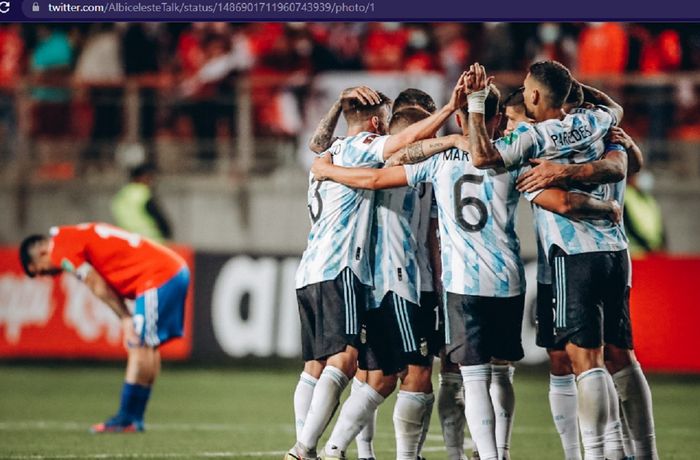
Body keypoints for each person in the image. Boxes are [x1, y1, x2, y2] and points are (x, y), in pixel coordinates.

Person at [311, 84, 621, 460]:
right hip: (507, 280)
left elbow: (377, 176)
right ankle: (503, 451)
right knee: (501, 373)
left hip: (460, 284)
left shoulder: (438, 162)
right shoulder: (511, 158)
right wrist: (606, 208)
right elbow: (564, 202)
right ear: (495, 120)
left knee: (468, 380)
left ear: (460, 118)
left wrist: (327, 169)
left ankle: (477, 455)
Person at [465, 60, 657, 460]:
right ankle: (643, 452)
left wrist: (475, 104)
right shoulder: (597, 119)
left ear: (533, 96)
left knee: (586, 361)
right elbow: (618, 128)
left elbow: (482, 158)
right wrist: (573, 88)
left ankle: (602, 453)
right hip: (616, 254)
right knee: (622, 356)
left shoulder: (535, 138)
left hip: (573, 256)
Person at [287, 78, 467, 460]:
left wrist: (337, 109)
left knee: (340, 368)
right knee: (382, 369)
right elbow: (376, 173)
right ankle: (310, 449)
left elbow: (317, 146)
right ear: (379, 124)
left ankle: (341, 451)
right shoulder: (373, 154)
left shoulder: (329, 153)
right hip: (380, 276)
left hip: (323, 268)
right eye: (383, 122)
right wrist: (450, 122)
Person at [19, 223, 190, 433]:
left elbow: (96, 284)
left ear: (42, 251)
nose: (47, 275)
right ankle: (133, 418)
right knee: (148, 347)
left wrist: (125, 317)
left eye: (41, 270)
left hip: (158, 276)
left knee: (138, 345)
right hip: (171, 270)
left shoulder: (61, 249)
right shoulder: (73, 235)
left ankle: (126, 418)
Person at [111, 163, 173, 243]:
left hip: (127, 239)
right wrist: (167, 233)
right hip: (149, 239)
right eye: (149, 177)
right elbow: (158, 216)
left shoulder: (121, 195)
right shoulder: (143, 193)